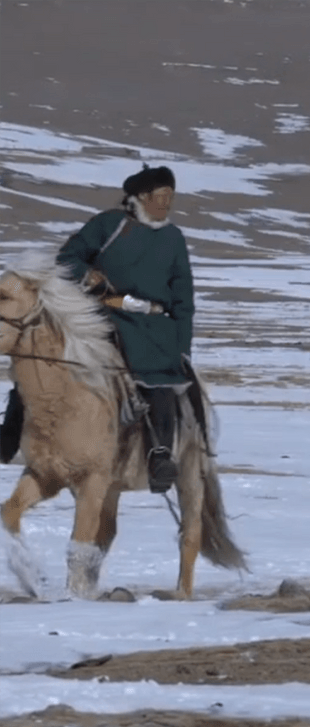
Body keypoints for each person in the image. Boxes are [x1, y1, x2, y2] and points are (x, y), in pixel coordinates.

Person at [0, 164, 196, 492]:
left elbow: (183, 297)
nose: (167, 204)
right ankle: (10, 435)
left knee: (159, 377)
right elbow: (68, 258)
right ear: (141, 197)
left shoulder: (174, 239)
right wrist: (87, 275)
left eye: (171, 197)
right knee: (43, 359)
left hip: (149, 325)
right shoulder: (109, 225)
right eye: (161, 196)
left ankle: (159, 454)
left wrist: (182, 346)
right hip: (100, 314)